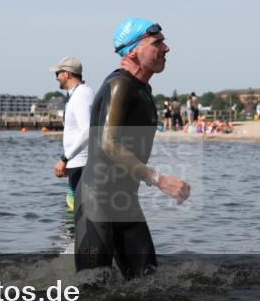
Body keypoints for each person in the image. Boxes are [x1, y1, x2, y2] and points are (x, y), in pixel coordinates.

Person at [75, 18, 191, 279]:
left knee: (147, 281)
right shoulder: (120, 85)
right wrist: (159, 180)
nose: (166, 48)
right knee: (92, 289)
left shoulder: (143, 89)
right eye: (157, 42)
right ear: (132, 51)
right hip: (98, 199)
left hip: (126, 201)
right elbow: (108, 143)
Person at [49, 56, 94, 211]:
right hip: (76, 163)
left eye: (57, 73)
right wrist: (68, 160)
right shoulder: (77, 94)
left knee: (81, 216)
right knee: (74, 215)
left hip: (83, 165)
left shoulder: (81, 94)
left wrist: (64, 159)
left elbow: (87, 130)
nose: (56, 78)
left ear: (67, 74)